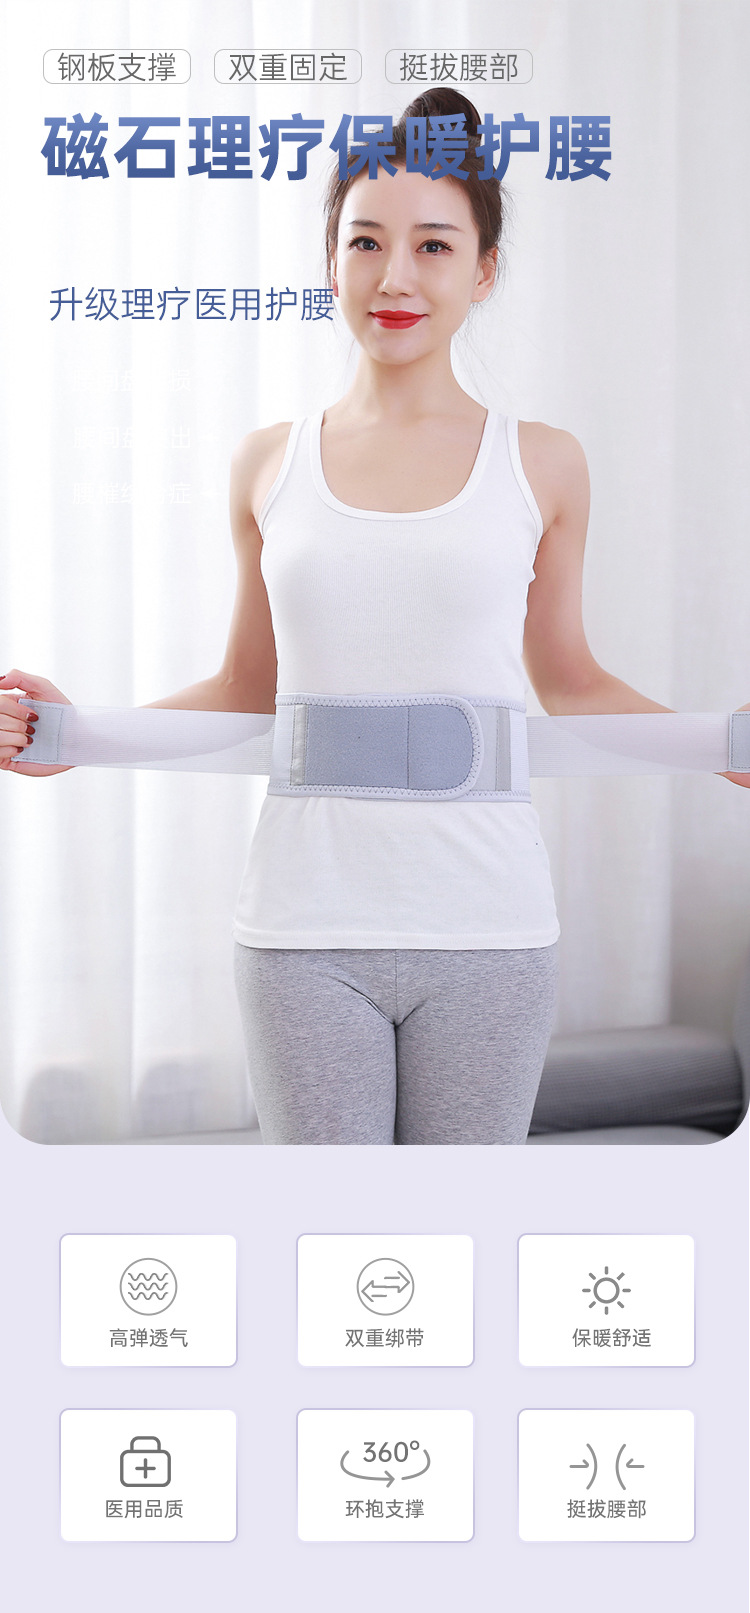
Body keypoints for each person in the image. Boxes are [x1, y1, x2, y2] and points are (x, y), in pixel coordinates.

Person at [1, 89, 747, 1145]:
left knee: (464, 1230)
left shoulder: (544, 462)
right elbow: (246, 688)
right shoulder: (268, 463)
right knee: (325, 1231)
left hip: (488, 927)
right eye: (365, 243)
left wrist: (723, 746)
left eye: (434, 245)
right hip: (303, 930)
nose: (395, 276)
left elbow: (571, 680)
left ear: (484, 269)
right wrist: (71, 734)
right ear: (331, 261)